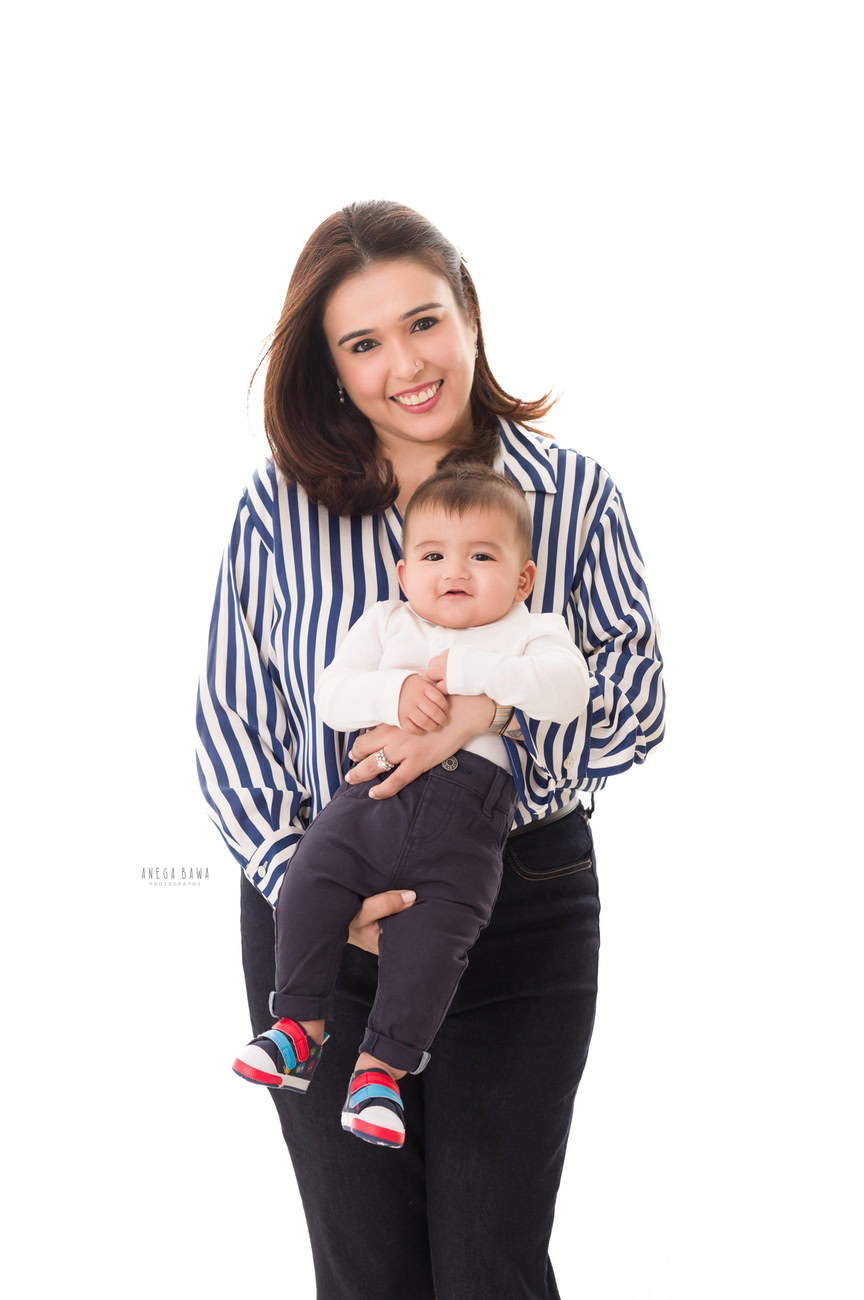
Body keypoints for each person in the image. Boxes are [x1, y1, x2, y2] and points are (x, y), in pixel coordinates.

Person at [195, 199, 665, 1299]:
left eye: (424, 323)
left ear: (469, 316)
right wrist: (312, 890)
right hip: (321, 904)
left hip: (519, 900)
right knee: (368, 1275)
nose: (406, 365)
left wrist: (488, 713)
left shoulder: (572, 495)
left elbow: (638, 702)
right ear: (330, 367)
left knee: (490, 1267)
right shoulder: (278, 509)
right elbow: (230, 724)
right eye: (363, 343)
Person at [231, 464, 592, 1150]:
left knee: (435, 945)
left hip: (466, 831)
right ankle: (298, 1028)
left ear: (522, 579)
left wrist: (476, 681)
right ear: (403, 573)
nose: (453, 571)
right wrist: (393, 693)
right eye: (431, 556)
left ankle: (381, 1071)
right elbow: (332, 696)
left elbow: (568, 691)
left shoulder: (533, 634)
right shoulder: (388, 624)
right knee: (308, 880)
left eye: (480, 556)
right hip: (366, 807)